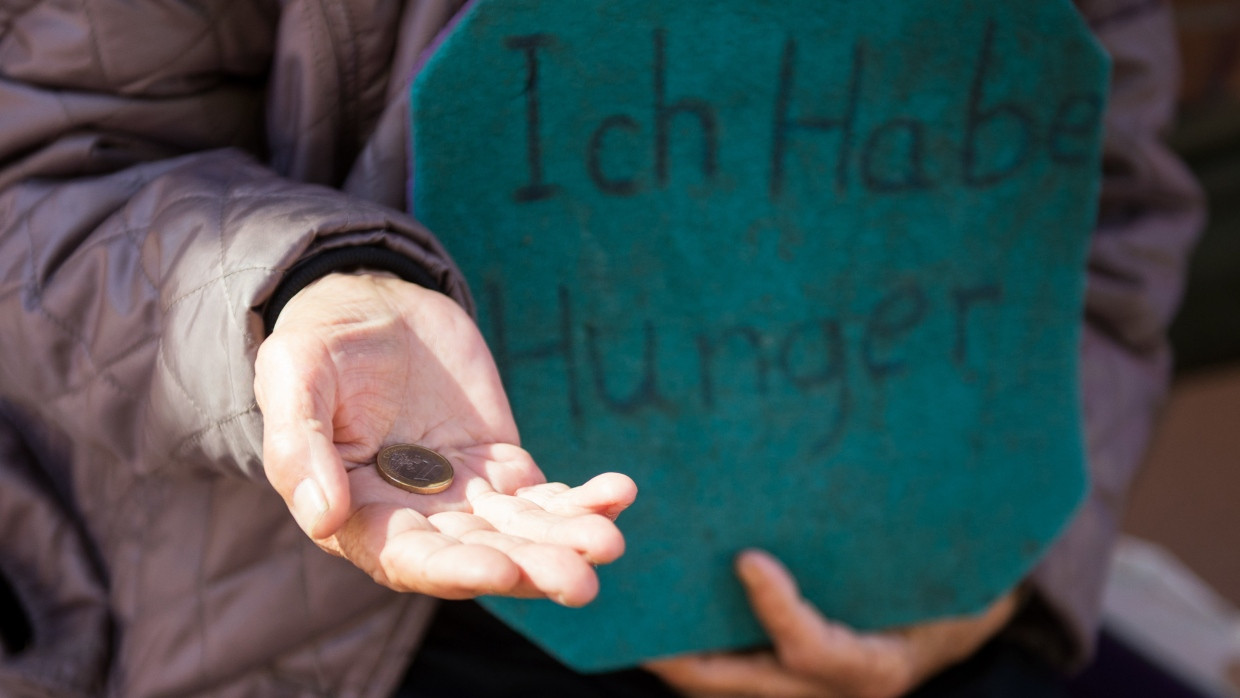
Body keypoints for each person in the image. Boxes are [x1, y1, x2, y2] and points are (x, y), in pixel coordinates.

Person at [0, 1, 1202, 697]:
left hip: (905, 588)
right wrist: (294, 288)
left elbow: (1101, 201)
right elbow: (46, 166)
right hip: (344, 616)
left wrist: (1004, 566)